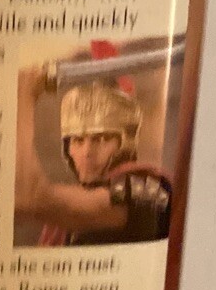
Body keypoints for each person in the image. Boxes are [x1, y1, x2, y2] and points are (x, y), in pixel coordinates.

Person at [15, 64, 172, 246]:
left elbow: (29, 196)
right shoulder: (74, 205)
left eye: (102, 139)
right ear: (67, 148)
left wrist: (24, 94)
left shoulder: (147, 190)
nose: (87, 152)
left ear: (124, 143)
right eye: (78, 140)